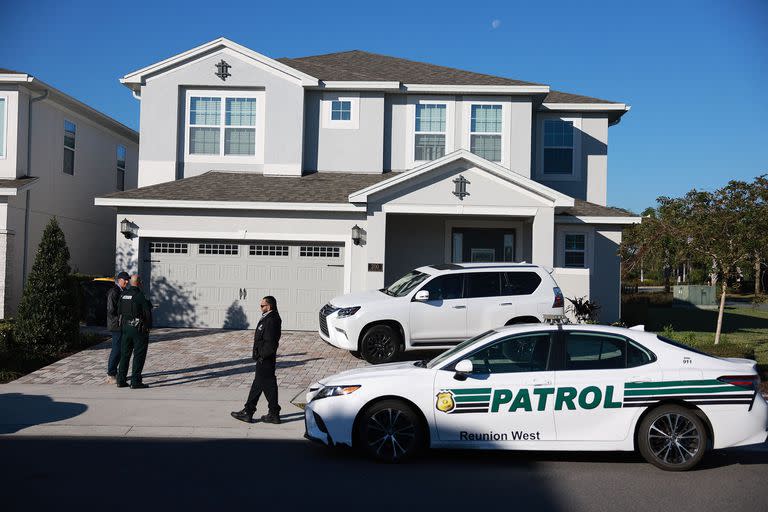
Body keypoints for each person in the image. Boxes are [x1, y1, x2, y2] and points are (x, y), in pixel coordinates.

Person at [231, 296, 282, 424]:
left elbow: (271, 342)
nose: (260, 308)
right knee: (260, 385)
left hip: (265, 359)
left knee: (266, 385)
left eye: (262, 306)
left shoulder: (272, 319)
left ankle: (253, 412)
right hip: (263, 358)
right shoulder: (269, 317)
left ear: (269, 306)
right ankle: (265, 413)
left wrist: (262, 355)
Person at [116, 274, 153, 389]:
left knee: (124, 354)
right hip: (138, 329)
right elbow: (147, 312)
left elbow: (119, 311)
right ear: (139, 283)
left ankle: (121, 380)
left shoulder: (123, 294)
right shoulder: (140, 295)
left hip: (125, 328)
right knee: (138, 354)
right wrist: (148, 327)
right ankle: (135, 381)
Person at [106, 271, 130, 384]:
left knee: (121, 349)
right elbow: (111, 310)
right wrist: (122, 315)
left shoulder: (124, 291)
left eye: (128, 279)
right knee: (116, 349)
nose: (127, 281)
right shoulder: (114, 291)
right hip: (116, 325)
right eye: (124, 279)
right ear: (119, 280)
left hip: (123, 324)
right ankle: (111, 374)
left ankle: (117, 373)